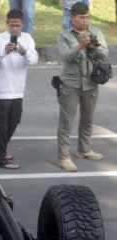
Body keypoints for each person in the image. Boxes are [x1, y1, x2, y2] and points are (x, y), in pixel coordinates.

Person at [56, 2, 108, 172]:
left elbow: (105, 54)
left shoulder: (96, 32)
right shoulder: (64, 35)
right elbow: (66, 56)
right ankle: (64, 157)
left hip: (91, 83)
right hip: (71, 83)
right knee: (66, 122)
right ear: (73, 18)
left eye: (87, 17)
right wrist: (80, 46)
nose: (85, 21)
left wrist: (94, 47)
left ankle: (84, 149)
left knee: (87, 119)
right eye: (81, 18)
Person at [0, 9, 38, 170]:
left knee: (14, 121)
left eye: (17, 25)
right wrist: (3, 52)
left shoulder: (28, 39)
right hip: (2, 89)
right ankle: (0, 158)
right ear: (7, 24)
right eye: (11, 25)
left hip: (18, 89)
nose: (14, 29)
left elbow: (34, 60)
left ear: (23, 24)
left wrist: (24, 53)